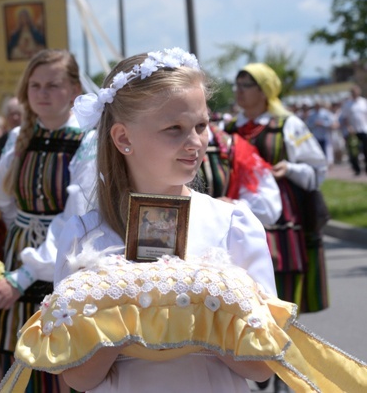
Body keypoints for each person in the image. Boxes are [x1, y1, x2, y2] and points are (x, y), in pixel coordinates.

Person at [40, 48, 276, 392]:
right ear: (123, 138)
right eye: (174, 129)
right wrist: (123, 307)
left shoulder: (232, 225)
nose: (195, 142)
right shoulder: (85, 237)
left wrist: (197, 305)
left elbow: (263, 366)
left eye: (201, 125)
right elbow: (75, 377)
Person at [0, 49, 97, 392]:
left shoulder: (87, 139)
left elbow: (76, 215)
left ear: (75, 88)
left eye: (53, 85)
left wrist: (23, 275)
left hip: (65, 257)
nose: (42, 93)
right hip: (18, 250)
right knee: (14, 350)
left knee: (60, 352)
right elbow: (2, 199)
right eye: (35, 85)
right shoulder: (19, 138)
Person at [226, 63, 328, 392]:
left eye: (247, 84)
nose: (239, 90)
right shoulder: (229, 128)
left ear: (265, 89)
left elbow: (318, 170)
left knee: (279, 298)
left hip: (281, 227)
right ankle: (258, 368)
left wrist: (292, 168)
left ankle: (283, 376)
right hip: (238, 221)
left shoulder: (288, 124)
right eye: (238, 83)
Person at [0, 96, 24, 175]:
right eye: (12, 114)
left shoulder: (34, 138)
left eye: (18, 113)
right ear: (6, 117)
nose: (15, 117)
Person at [340, 85, 367, 175]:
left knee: (365, 149)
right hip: (352, 131)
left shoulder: (364, 102)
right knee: (353, 152)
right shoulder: (348, 104)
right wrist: (348, 127)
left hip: (363, 129)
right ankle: (357, 170)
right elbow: (345, 117)